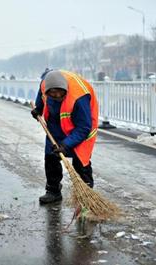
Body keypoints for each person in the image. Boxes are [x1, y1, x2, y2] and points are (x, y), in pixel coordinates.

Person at [31, 69, 99, 204]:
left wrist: (66, 144)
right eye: (52, 93)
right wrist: (39, 108)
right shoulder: (45, 85)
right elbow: (41, 94)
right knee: (51, 156)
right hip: (56, 123)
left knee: (80, 162)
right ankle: (53, 191)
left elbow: (84, 127)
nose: (56, 96)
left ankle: (86, 195)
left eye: (59, 92)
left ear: (65, 89)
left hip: (81, 128)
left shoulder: (79, 98)